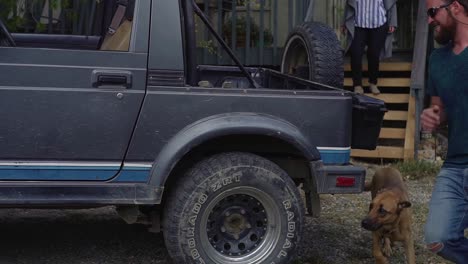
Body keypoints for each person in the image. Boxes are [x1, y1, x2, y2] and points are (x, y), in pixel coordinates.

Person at [421, 0, 468, 263]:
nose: (430, 20)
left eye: (432, 12)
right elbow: (439, 109)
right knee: (438, 238)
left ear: (456, 7)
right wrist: (433, 116)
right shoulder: (437, 59)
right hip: (455, 165)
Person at [342, 0, 397, 94]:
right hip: (358, 25)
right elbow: (349, 4)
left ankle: (373, 83)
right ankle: (357, 85)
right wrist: (344, 22)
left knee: (374, 54)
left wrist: (392, 22)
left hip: (378, 23)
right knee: (355, 52)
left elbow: (391, 3)